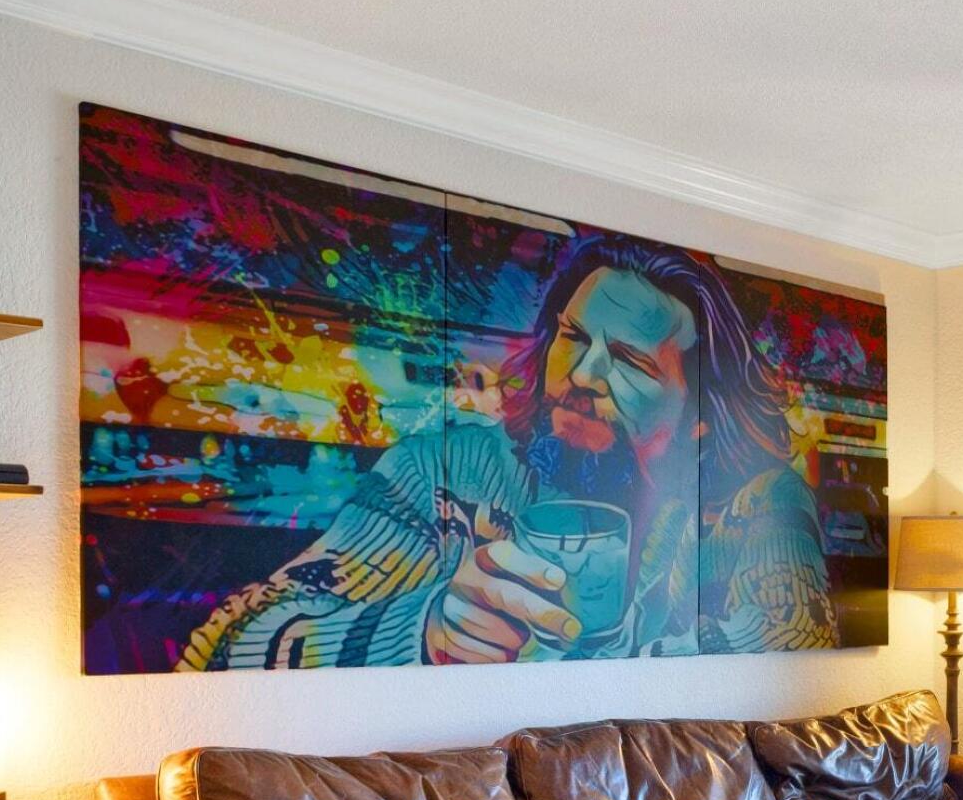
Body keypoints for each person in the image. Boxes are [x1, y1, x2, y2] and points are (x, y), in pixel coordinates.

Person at [182, 232, 835, 668]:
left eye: (631, 361)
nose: (582, 374)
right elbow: (225, 644)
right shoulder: (443, 472)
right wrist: (425, 630)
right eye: (573, 336)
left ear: (697, 414)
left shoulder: (756, 502)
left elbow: (792, 637)